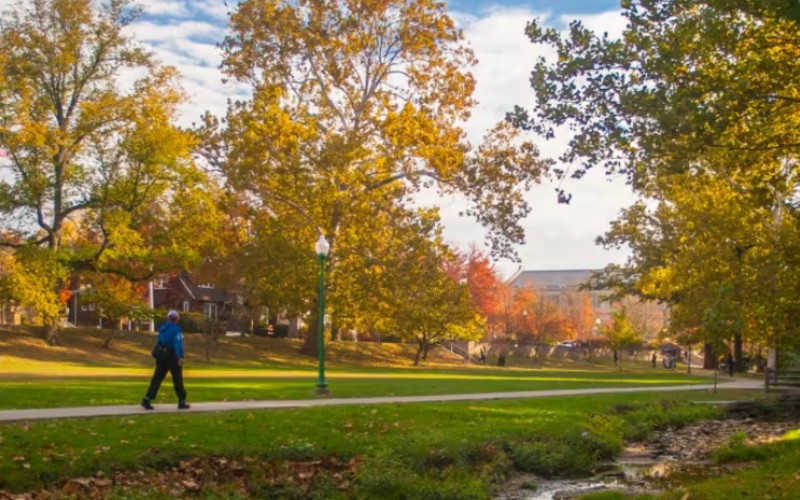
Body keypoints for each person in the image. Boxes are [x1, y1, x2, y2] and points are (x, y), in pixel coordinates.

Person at [141, 310, 190, 410]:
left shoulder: (162, 328)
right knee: (177, 379)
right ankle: (181, 400)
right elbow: (178, 343)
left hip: (162, 355)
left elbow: (159, 341)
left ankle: (147, 398)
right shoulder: (176, 330)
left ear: (168, 318)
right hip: (172, 356)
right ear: (177, 319)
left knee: (157, 378)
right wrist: (180, 356)